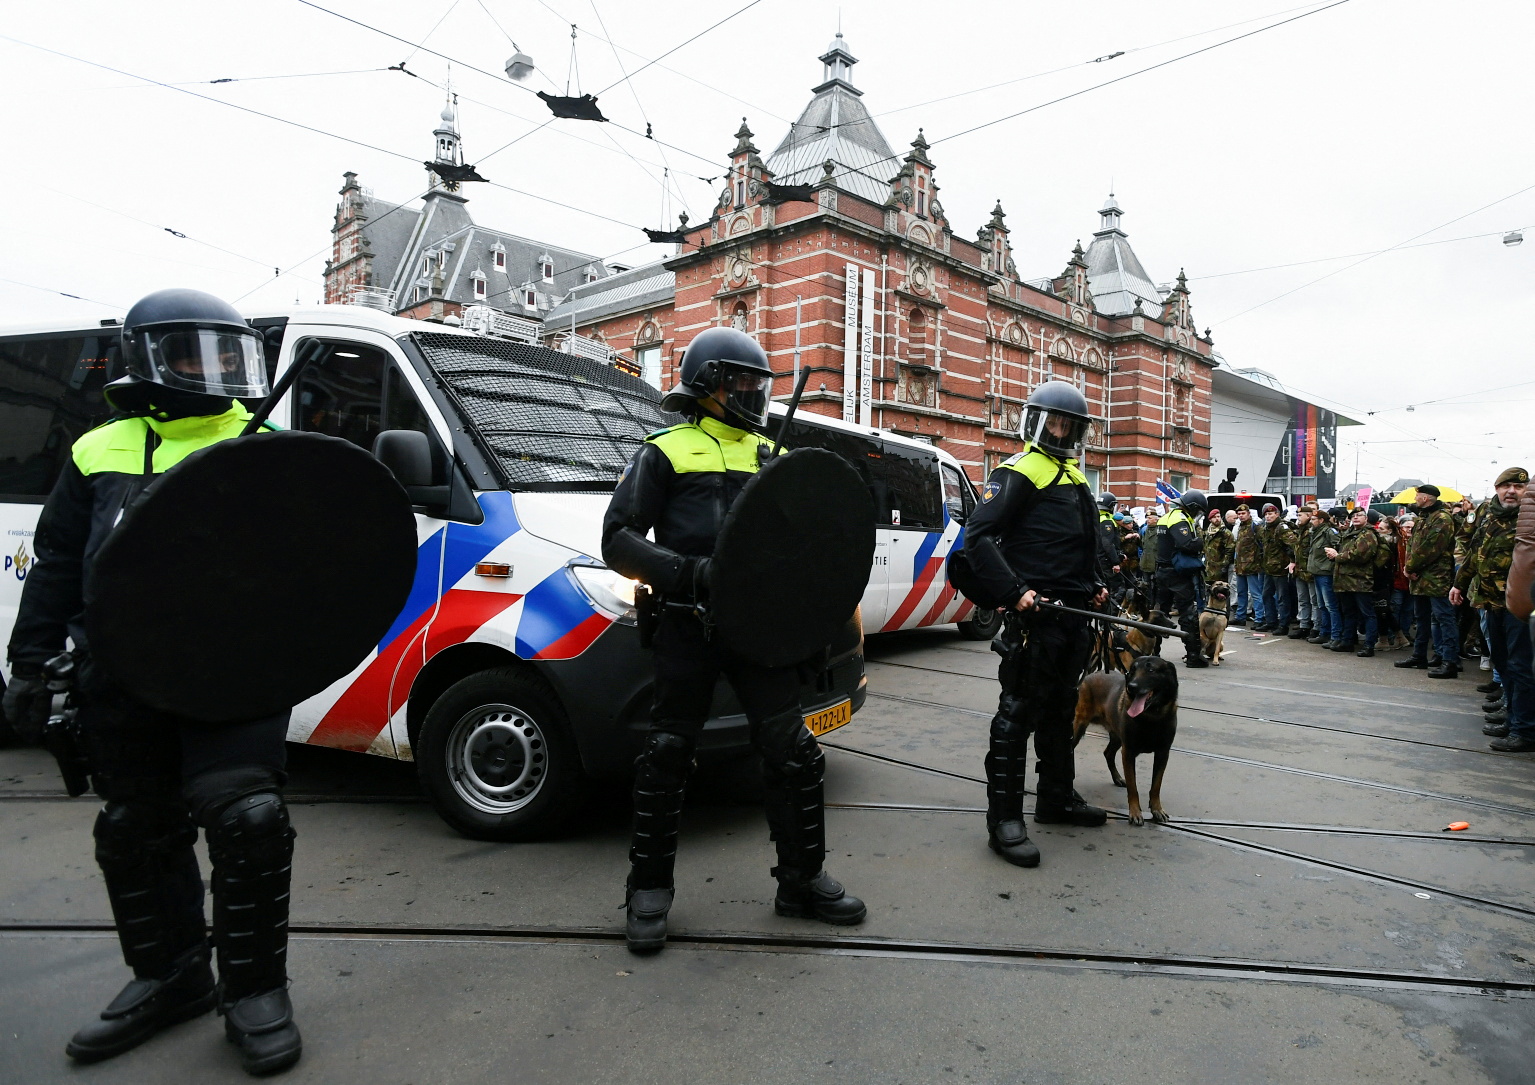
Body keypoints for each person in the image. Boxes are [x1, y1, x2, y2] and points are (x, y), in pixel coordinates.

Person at [0, 289, 302, 1074]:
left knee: (249, 817)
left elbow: (317, 565)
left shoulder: (265, 441)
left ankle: (254, 991)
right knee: (135, 827)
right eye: (192, 352)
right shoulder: (98, 449)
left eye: (228, 354)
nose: (214, 370)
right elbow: (59, 562)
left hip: (231, 677)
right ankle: (171, 976)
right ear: (144, 358)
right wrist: (28, 664)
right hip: (121, 675)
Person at [601, 327, 866, 952]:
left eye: (758, 382)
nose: (753, 393)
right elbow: (618, 538)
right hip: (687, 625)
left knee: (796, 751)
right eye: (742, 382)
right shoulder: (664, 451)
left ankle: (800, 882)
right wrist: (688, 571)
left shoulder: (768, 456)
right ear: (709, 386)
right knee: (667, 754)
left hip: (757, 631)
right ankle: (648, 889)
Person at [963, 380, 1110, 869]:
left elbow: (1081, 543)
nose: (1062, 430)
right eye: (1056, 421)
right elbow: (977, 539)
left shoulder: (1076, 475)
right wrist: (1015, 593)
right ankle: (1004, 822)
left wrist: (1094, 583)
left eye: (1071, 425)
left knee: (1060, 710)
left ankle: (1056, 798)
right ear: (1036, 422)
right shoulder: (1020, 470)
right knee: (1017, 714)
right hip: (1034, 617)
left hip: (1073, 616)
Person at [1454, 467, 1532, 750]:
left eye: (1518, 487)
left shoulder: (1529, 521)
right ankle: (1514, 720)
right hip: (1490, 602)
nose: (1511, 491)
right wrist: (1458, 585)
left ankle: (1525, 731)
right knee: (1503, 664)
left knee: (1521, 667)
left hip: (1519, 604)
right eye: (1506, 486)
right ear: (1497, 489)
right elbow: (1474, 554)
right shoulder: (1489, 517)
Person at [1396, 484, 1460, 678]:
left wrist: (1410, 567)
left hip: (1436, 577)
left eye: (1418, 497)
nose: (1415, 500)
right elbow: (1414, 546)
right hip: (1421, 577)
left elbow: (1430, 548)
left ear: (1425, 498)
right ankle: (1419, 656)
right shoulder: (1425, 518)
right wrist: (1409, 568)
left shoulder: (1442, 518)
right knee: (1422, 618)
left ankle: (1450, 662)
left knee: (1444, 618)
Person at [1155, 490, 1212, 669]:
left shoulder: (1167, 516)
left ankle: (1152, 652)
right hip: (1177, 573)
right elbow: (1186, 543)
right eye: (1199, 511)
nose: (1198, 515)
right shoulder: (1179, 518)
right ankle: (1194, 655)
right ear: (1193, 507)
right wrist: (1200, 542)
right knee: (1188, 615)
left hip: (1162, 571)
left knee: (1158, 614)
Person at [1329, 507, 1379, 655]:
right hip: (1345, 580)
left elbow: (1360, 555)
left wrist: (1337, 556)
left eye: (1359, 515)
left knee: (1367, 613)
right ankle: (1347, 641)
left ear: (1366, 518)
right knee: (1348, 612)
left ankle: (1369, 645)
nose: (1356, 518)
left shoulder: (1368, 534)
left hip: (1360, 580)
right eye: (1353, 516)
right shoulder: (1350, 533)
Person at [1256, 503, 1296, 635]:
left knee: (1282, 598)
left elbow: (1293, 545)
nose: (1268, 516)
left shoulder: (1282, 528)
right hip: (1268, 568)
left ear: (1277, 514)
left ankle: (1283, 624)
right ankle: (1271, 621)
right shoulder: (1265, 528)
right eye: (1266, 514)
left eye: (1271, 514)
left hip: (1281, 569)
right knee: (1266, 595)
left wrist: (1292, 561)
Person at [1305, 508, 1342, 646]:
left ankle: (1335, 635)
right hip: (1318, 572)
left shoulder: (1329, 532)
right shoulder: (1315, 532)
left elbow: (1338, 546)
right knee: (1322, 605)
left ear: (1321, 520)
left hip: (1326, 573)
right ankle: (1324, 633)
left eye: (1314, 519)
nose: (1311, 521)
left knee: (1330, 605)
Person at [1231, 504, 1263, 628]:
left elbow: (1262, 544)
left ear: (1248, 513)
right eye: (1239, 514)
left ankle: (1259, 618)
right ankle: (1240, 616)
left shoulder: (1255, 526)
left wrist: (1259, 561)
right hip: (1240, 566)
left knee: (1255, 593)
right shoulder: (1240, 527)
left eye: (1243, 514)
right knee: (1241, 593)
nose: (1241, 516)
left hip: (1252, 565)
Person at [1290, 506, 1317, 639]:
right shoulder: (1300, 530)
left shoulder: (1312, 530)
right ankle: (1304, 625)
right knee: (1303, 600)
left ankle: (1316, 627)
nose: (1298, 518)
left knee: (1314, 600)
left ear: (1308, 516)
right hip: (1300, 570)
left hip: (1310, 570)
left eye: (1300, 515)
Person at [1204, 507, 1234, 596]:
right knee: (1209, 591)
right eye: (1214, 517)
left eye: (1218, 516)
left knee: (1221, 593)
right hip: (1208, 568)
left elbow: (1230, 550)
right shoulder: (1207, 533)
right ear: (1210, 519)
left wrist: (1224, 565)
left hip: (1220, 569)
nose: (1217, 519)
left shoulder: (1225, 533)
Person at [1139, 508, 1162, 603]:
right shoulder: (1145, 530)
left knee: (1156, 586)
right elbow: (1142, 545)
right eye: (1147, 518)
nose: (1147, 520)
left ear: (1156, 519)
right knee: (1146, 585)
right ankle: (1148, 603)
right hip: (1145, 561)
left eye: (1150, 518)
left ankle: (1155, 603)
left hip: (1155, 562)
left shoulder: (1160, 530)